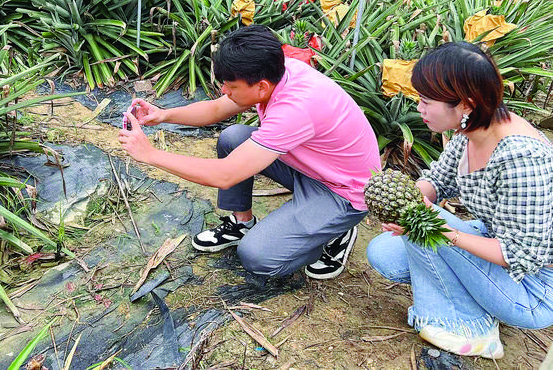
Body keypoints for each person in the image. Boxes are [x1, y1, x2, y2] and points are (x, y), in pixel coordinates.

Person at [118, 25, 380, 280]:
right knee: (233, 138)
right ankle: (242, 222)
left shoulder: (295, 109)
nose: (224, 90)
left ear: (261, 87)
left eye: (230, 86)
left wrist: (150, 154)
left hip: (342, 192)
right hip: (313, 167)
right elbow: (216, 109)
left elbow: (225, 176)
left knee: (258, 256)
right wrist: (164, 115)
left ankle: (334, 232)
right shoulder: (276, 71)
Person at [366, 41, 553, 360]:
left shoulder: (521, 160)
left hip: (532, 289)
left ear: (465, 104)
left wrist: (439, 230)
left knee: (420, 227)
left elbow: (520, 256)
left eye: (426, 100)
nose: (419, 108)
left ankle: (474, 326)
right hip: (493, 239)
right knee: (384, 253)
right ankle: (473, 294)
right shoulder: (475, 130)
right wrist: (404, 196)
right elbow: (436, 181)